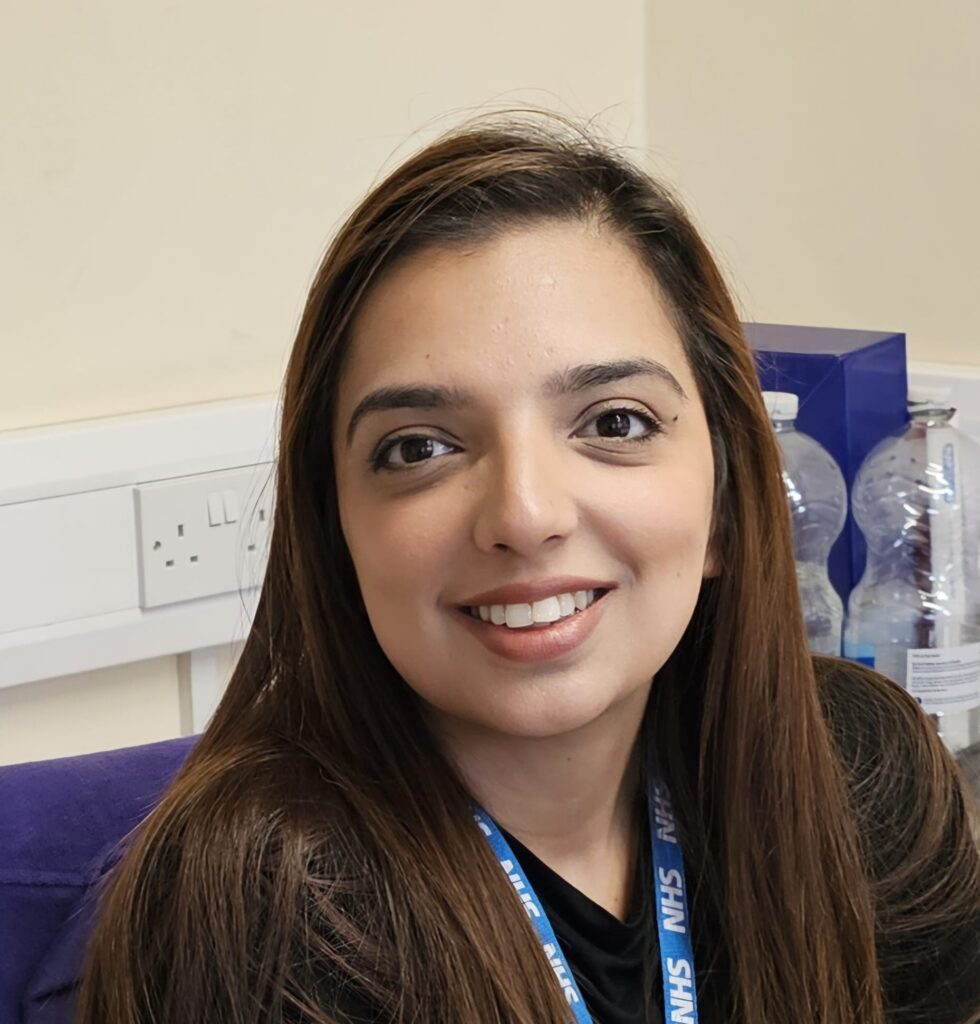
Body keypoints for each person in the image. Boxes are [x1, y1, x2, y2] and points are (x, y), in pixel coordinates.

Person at [76, 112, 980, 1024]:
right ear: (334, 529)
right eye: (419, 447)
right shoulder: (258, 921)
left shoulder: (864, 778)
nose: (525, 515)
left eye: (615, 422)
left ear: (726, 504)